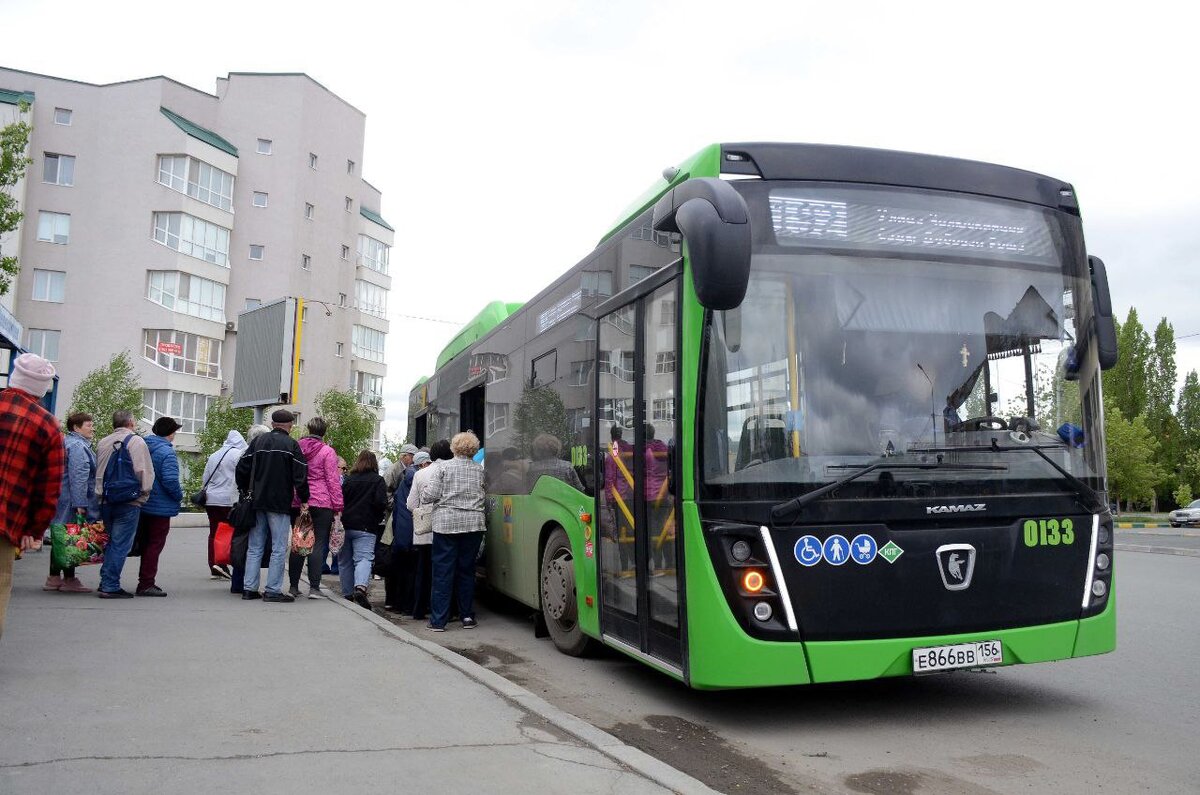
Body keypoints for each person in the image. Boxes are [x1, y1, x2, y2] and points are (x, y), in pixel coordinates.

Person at [0, 353, 65, 640]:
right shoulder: (47, 425)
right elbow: (49, 486)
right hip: (5, 522)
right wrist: (34, 529)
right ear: (42, 388)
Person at [235, 410, 308, 603]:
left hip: (257, 501)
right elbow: (300, 475)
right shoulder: (292, 445)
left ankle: (249, 588)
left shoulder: (257, 442)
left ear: (273, 423)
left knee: (255, 546)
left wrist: (244, 490)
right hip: (279, 502)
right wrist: (304, 499)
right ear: (290, 425)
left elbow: (241, 467)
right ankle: (273, 590)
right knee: (278, 547)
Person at [426, 432, 486, 631]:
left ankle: (438, 621)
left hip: (446, 525)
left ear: (454, 447)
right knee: (467, 571)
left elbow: (430, 495)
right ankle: (467, 616)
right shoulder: (480, 470)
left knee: (443, 572)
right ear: (474, 450)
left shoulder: (443, 467)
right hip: (473, 524)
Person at [95, 409, 155, 598]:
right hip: (128, 500)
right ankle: (110, 585)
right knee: (121, 544)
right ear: (131, 423)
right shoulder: (136, 441)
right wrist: (144, 493)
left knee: (111, 542)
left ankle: (105, 580)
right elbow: (143, 471)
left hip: (105, 499)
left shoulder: (103, 442)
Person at [288, 417, 342, 599]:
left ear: (309, 428)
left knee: (298, 543)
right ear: (324, 432)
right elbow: (333, 480)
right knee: (317, 545)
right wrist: (337, 505)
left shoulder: (296, 447)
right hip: (321, 502)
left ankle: (293, 587)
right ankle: (314, 588)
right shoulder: (327, 451)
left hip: (298, 501)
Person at [46, 411, 100, 593]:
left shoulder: (67, 442)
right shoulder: (78, 446)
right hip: (71, 500)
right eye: (88, 425)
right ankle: (69, 578)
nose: (92, 428)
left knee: (60, 536)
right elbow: (79, 477)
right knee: (71, 538)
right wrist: (80, 504)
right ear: (76, 428)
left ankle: (54, 578)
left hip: (62, 497)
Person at [136, 417, 184, 597]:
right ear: (170, 433)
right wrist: (179, 496)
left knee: (140, 543)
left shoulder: (142, 447)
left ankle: (110, 580)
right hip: (160, 506)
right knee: (154, 545)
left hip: (141, 502)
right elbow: (170, 480)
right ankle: (146, 583)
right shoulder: (166, 452)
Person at [339, 450, 388, 608]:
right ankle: (360, 587)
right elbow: (381, 503)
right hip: (366, 526)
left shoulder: (349, 480)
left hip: (346, 525)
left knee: (345, 561)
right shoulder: (378, 480)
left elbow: (341, 500)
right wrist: (377, 516)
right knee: (364, 558)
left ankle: (347, 593)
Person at [407, 443, 448, 621]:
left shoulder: (420, 473)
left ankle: (418, 610)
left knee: (422, 571)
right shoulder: (449, 471)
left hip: (424, 530)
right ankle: (441, 609)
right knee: (442, 571)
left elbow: (410, 504)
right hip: (444, 529)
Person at [229, 424, 270, 595]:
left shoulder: (242, 453)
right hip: (252, 503)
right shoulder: (259, 455)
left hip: (241, 502)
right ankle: (245, 583)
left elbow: (236, 480)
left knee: (241, 541)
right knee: (251, 544)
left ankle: (238, 583)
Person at [200, 429, 247, 579]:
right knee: (228, 532)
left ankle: (213, 564)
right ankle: (223, 563)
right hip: (228, 500)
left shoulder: (214, 455)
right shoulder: (238, 455)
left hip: (211, 499)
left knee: (214, 532)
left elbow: (205, 477)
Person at [385, 447, 419, 612]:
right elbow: (387, 491)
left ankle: (395, 601)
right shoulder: (394, 469)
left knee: (399, 563)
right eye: (412, 456)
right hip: (396, 519)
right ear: (405, 456)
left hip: (399, 522)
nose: (413, 459)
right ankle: (397, 601)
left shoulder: (408, 472)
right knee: (400, 563)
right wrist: (393, 505)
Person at [603, 425, 634, 573]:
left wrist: (609, 498)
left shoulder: (613, 453)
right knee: (632, 530)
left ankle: (625, 565)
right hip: (633, 495)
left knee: (622, 532)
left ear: (611, 436)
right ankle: (637, 561)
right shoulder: (630, 449)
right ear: (621, 435)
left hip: (620, 497)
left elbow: (610, 478)